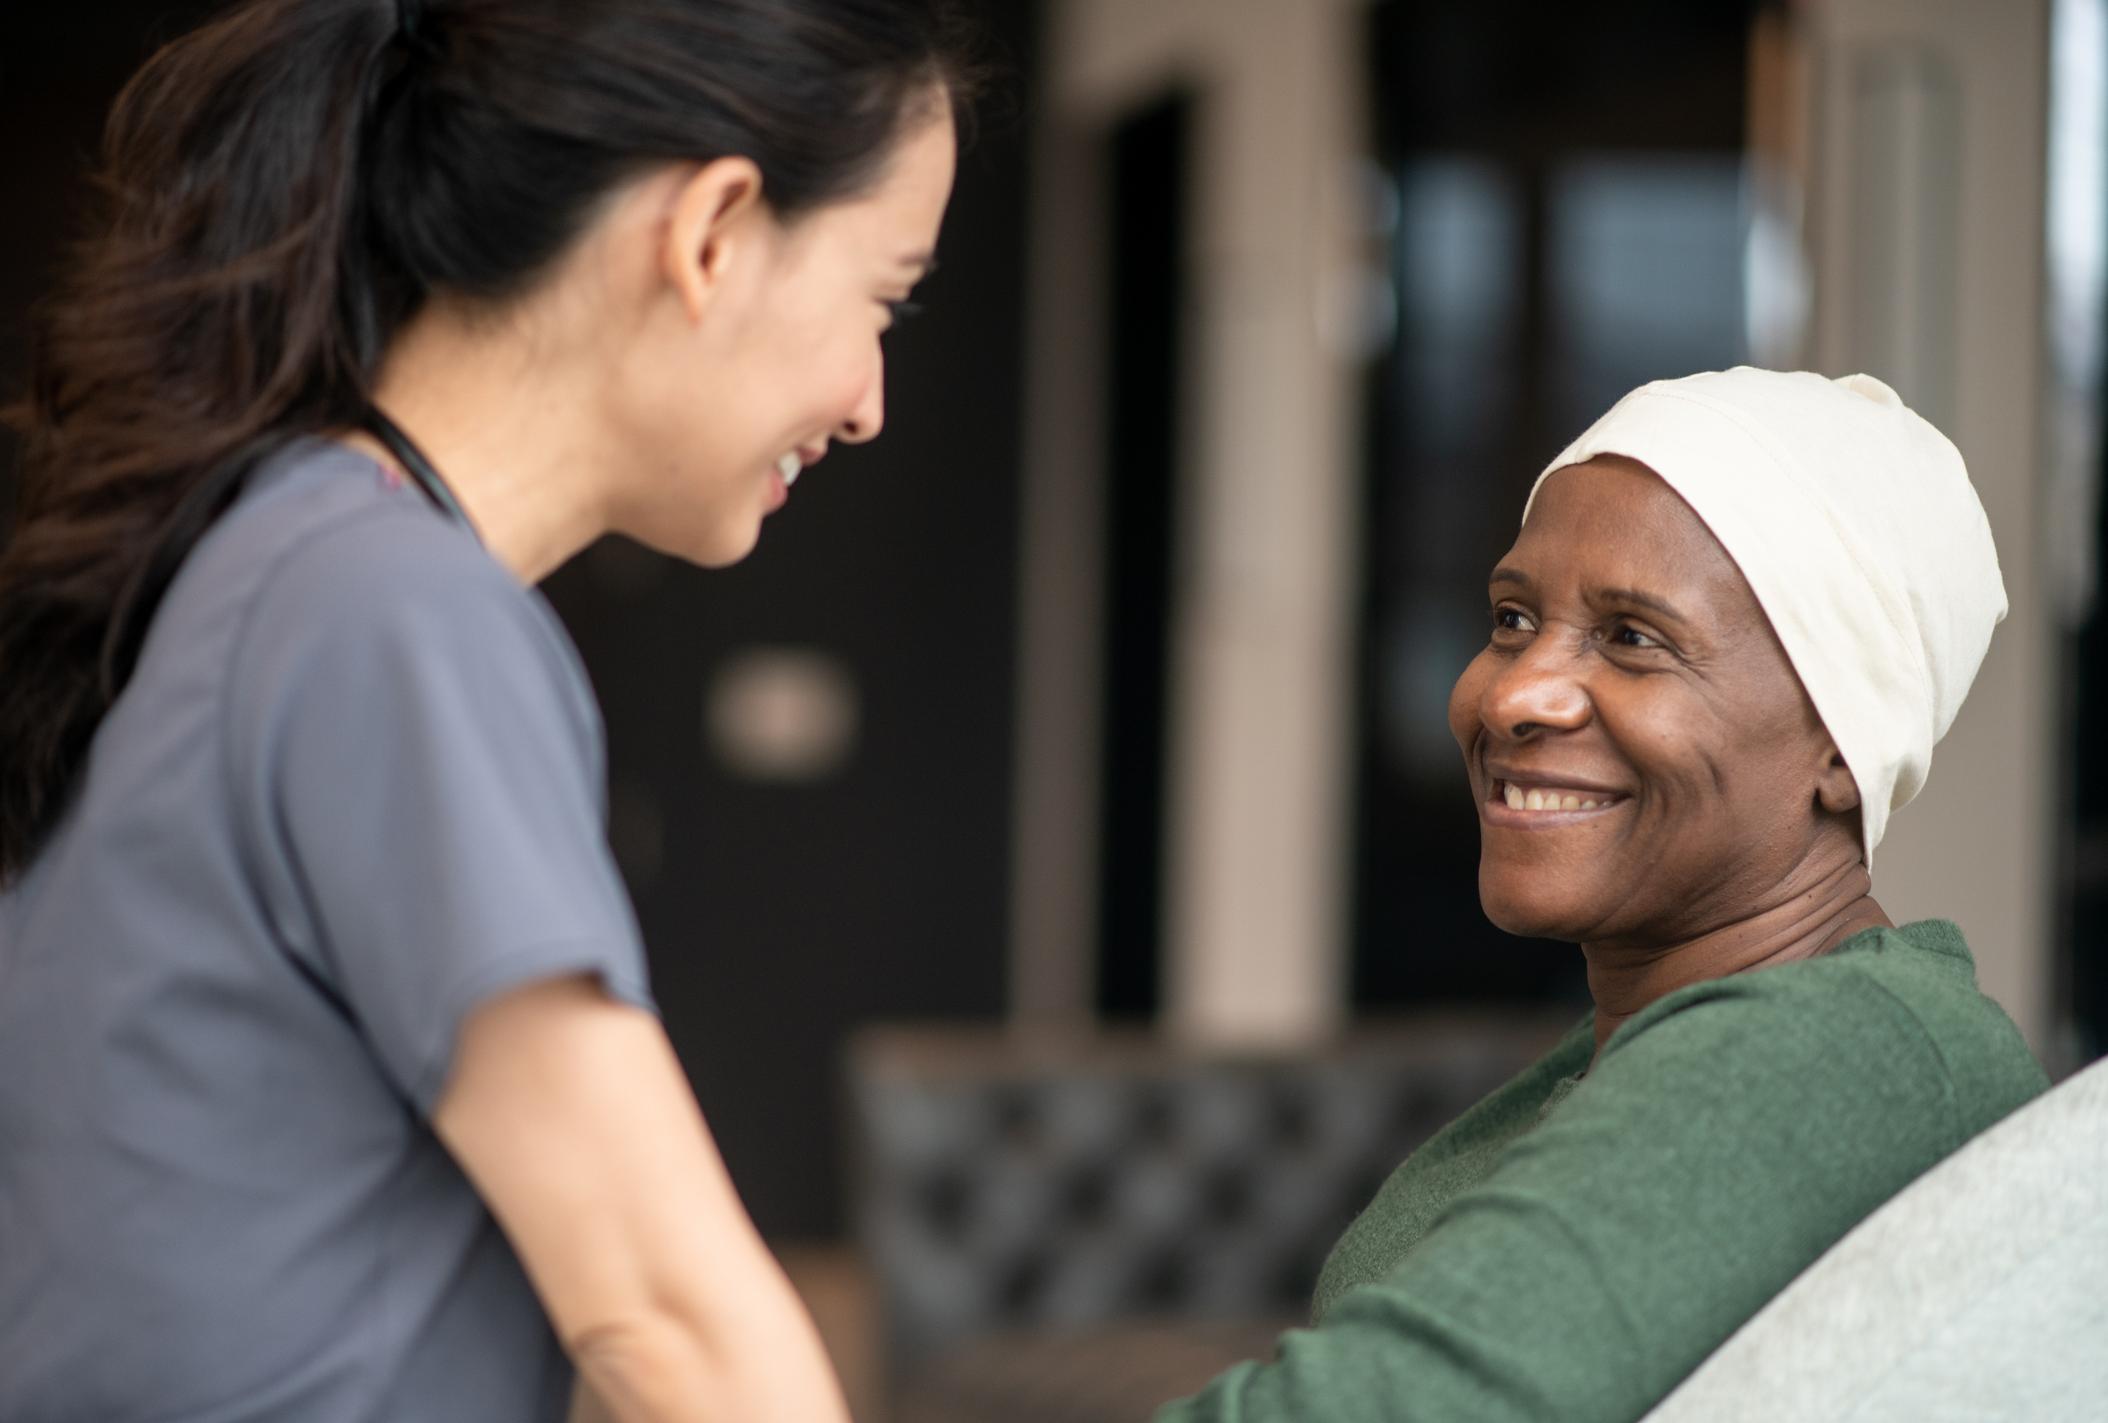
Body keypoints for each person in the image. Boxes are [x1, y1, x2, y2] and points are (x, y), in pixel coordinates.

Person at [0, 1, 978, 1419]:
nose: (871, 399)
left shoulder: (272, 551)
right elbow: (672, 1321)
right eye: (881, 297)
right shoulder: (392, 609)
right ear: (710, 234)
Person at [1156, 368, 2048, 1422]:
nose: (1511, 693)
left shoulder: (1846, 1045)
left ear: (1838, 746)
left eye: (1631, 637)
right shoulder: (1611, 1063)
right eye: (1509, 618)